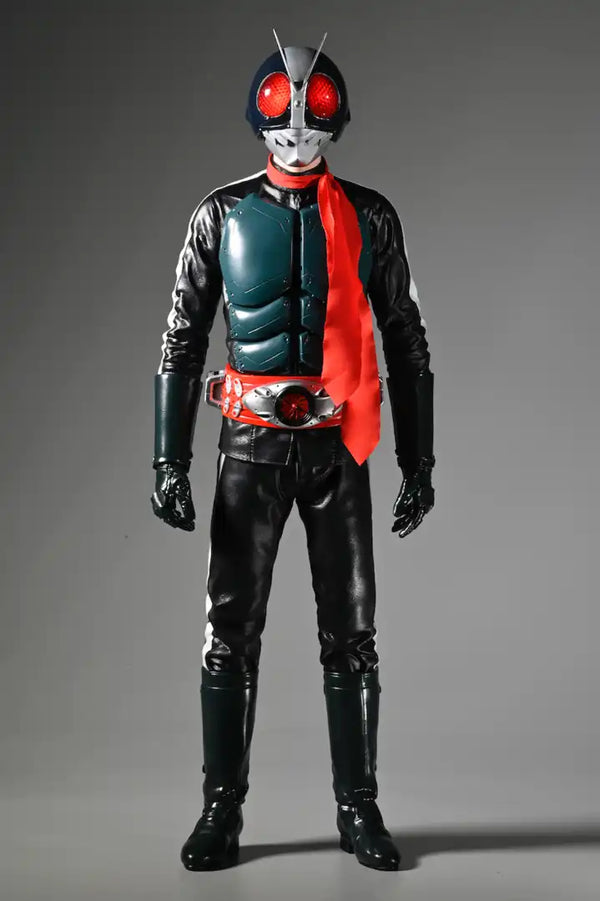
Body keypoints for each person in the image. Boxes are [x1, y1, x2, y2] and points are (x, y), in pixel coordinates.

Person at [151, 32, 435, 872]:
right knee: (229, 631)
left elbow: (405, 336)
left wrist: (418, 458)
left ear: (337, 119)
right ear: (260, 115)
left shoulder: (370, 217)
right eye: (283, 111)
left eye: (314, 114)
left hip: (337, 445)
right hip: (249, 445)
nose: (299, 131)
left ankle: (358, 807)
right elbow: (182, 337)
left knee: (353, 632)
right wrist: (167, 459)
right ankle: (220, 809)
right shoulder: (220, 215)